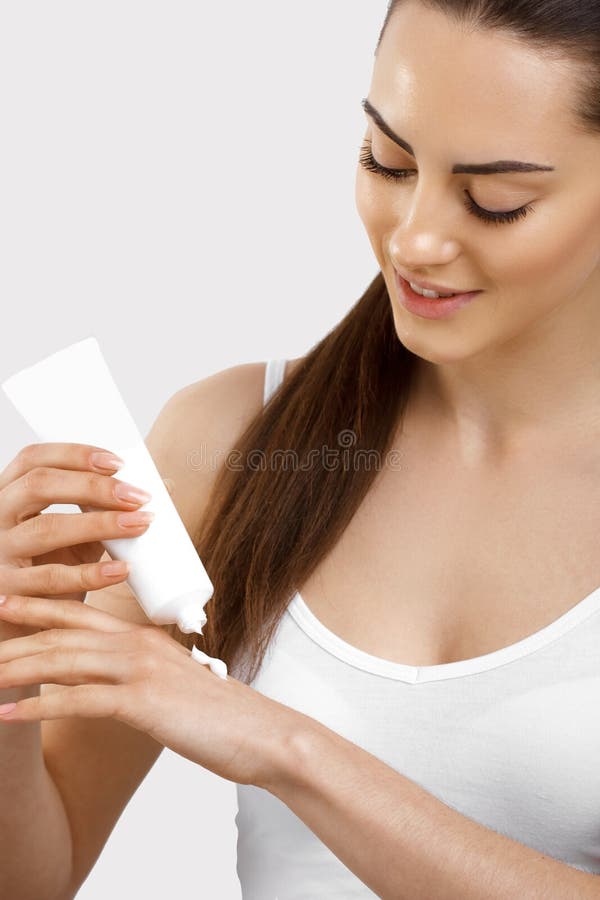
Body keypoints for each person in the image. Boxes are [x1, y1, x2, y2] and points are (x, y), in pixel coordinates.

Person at [2, 0, 600, 897]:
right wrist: (12, 671)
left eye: (495, 202)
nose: (415, 238)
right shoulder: (233, 441)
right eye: (385, 161)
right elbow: (35, 876)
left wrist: (285, 748)